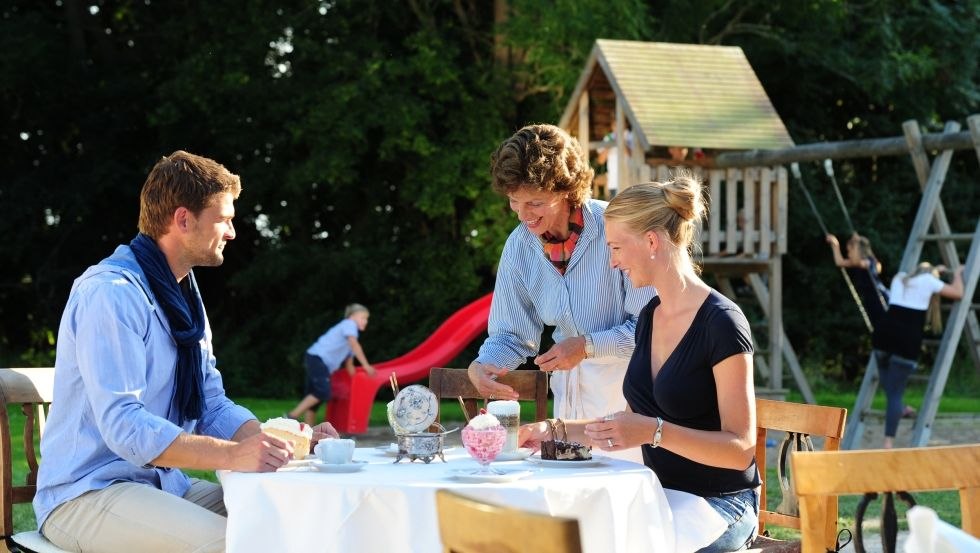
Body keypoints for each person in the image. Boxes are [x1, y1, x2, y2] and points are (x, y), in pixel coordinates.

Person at [34, 151, 339, 553]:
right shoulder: (112, 294)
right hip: (89, 493)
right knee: (234, 545)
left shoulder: (182, 296)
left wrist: (279, 442)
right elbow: (126, 426)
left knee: (300, 520)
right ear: (183, 219)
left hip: (163, 484)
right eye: (224, 219)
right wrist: (234, 455)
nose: (232, 232)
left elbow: (210, 404)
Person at [519, 175, 760, 552]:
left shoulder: (722, 323)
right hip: (658, 497)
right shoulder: (650, 316)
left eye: (616, 248)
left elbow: (741, 448)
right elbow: (628, 424)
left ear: (651, 242)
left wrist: (654, 432)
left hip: (721, 504)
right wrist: (555, 429)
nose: (612, 263)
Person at [467, 123, 653, 463]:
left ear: (565, 190)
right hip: (568, 405)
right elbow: (511, 334)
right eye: (514, 201)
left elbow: (653, 330)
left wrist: (587, 346)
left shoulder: (618, 229)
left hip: (631, 402)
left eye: (535, 202)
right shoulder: (519, 247)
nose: (523, 216)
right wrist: (484, 364)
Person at [872, 262, 964, 448]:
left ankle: (900, 409)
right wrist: (958, 274)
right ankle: (888, 441)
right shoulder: (930, 281)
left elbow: (922, 275)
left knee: (892, 392)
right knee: (895, 394)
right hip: (905, 341)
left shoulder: (900, 278)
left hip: (883, 337)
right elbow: (958, 293)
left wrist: (935, 270)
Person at [287, 304, 376, 425]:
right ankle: (291, 416)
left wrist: (355, 384)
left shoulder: (350, 339)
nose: (366, 321)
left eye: (367, 319)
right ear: (352, 316)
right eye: (363, 317)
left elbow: (349, 364)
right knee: (322, 392)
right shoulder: (349, 325)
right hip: (317, 359)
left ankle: (308, 433)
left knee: (313, 399)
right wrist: (366, 366)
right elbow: (355, 345)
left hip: (316, 360)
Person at [826, 232, 889, 328]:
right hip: (871, 301)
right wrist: (835, 245)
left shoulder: (868, 262)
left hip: (880, 299)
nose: (848, 254)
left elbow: (860, 261)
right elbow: (839, 262)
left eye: (850, 251)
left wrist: (856, 244)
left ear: (858, 251)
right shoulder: (857, 263)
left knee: (885, 325)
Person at [596, 120, 632, 199]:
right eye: (615, 125)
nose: (617, 127)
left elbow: (632, 156)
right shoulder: (608, 138)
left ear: (625, 124)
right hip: (613, 182)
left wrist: (621, 141)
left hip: (629, 182)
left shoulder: (630, 136)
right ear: (612, 126)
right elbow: (601, 161)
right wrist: (608, 146)